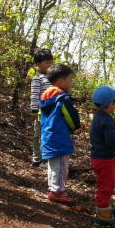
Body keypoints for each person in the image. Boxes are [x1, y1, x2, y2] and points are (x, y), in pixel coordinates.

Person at [40, 64, 81, 204]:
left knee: (53, 165)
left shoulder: (45, 96)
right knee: (62, 165)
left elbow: (41, 118)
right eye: (70, 79)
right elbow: (70, 116)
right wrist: (76, 126)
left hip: (48, 136)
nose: (71, 82)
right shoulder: (62, 98)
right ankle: (57, 192)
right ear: (60, 81)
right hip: (60, 136)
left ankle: (53, 188)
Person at [90, 86, 115, 227]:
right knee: (106, 186)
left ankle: (105, 207)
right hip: (104, 159)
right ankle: (103, 215)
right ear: (110, 104)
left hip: (98, 157)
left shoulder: (98, 116)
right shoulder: (107, 120)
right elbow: (111, 140)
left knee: (106, 183)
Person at [30, 48, 54, 167]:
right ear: (38, 64)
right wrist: (34, 109)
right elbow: (34, 95)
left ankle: (46, 158)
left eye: (51, 62)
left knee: (49, 135)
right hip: (41, 112)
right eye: (46, 62)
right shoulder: (37, 78)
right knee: (38, 134)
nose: (49, 65)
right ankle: (37, 158)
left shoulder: (54, 78)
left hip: (53, 112)